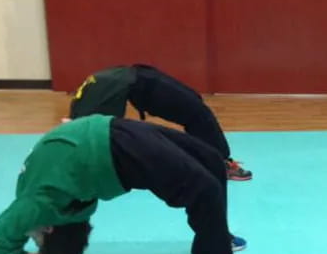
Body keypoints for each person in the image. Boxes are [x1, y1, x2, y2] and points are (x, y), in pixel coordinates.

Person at [0, 115, 245, 254]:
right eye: (36, 240)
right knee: (206, 179)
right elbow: (14, 230)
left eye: (36, 239)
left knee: (210, 164)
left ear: (51, 227)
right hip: (113, 137)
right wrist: (16, 252)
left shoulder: (37, 204)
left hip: (112, 136)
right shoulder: (49, 208)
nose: (32, 236)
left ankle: (217, 239)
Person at [69, 64, 252, 181]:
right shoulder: (89, 103)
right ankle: (220, 163)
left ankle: (218, 158)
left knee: (195, 106)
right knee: (198, 112)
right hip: (141, 80)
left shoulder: (86, 101)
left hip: (139, 79)